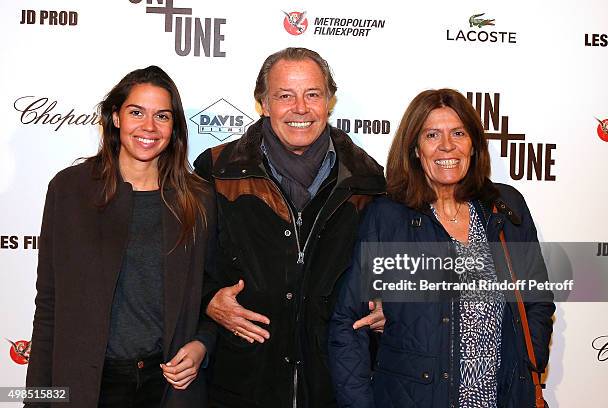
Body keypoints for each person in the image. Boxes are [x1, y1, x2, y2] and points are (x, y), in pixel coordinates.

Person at [328, 88, 555, 408]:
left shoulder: (504, 206)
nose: (447, 145)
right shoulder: (389, 217)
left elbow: (536, 298)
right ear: (415, 150)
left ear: (473, 145)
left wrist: (525, 363)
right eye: (432, 134)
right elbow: (347, 324)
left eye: (458, 133)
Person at [193, 47, 386, 407]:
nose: (300, 108)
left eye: (312, 94)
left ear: (329, 101)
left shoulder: (368, 180)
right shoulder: (217, 169)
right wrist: (209, 301)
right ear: (263, 103)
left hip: (333, 383)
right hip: (241, 383)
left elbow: (386, 270)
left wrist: (389, 304)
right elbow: (183, 266)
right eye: (285, 96)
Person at [26, 66, 216, 407]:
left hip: (168, 385)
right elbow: (50, 304)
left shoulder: (198, 198)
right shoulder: (70, 190)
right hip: (90, 385)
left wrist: (202, 343)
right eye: (136, 112)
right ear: (115, 117)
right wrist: (35, 400)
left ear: (174, 129)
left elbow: (213, 292)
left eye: (162, 116)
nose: (149, 127)